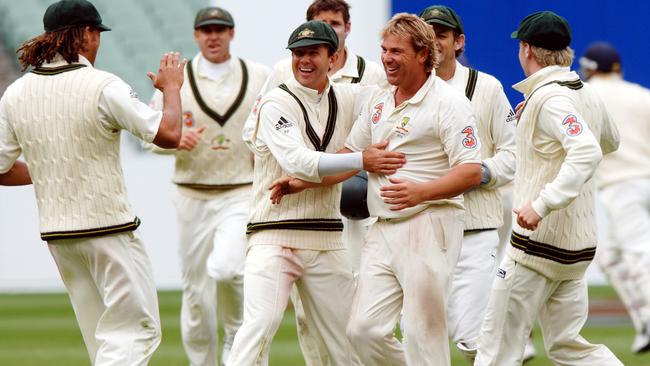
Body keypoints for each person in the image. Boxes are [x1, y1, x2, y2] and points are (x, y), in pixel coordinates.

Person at [0, 0, 186, 365]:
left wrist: (55, 170)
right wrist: (172, 87)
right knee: (137, 332)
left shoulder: (16, 93)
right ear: (85, 34)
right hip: (108, 229)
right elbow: (168, 134)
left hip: (59, 238)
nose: (99, 42)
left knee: (102, 340)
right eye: (97, 34)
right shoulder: (102, 85)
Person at [227, 20, 404, 365]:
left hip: (326, 238)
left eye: (313, 53)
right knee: (258, 327)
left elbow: (397, 97)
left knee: (348, 340)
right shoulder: (276, 102)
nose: (304, 61)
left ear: (334, 58)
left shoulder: (351, 97)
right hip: (272, 234)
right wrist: (363, 159)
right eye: (298, 54)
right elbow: (298, 161)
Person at [475, 11, 622, 365]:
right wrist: (541, 129)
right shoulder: (583, 91)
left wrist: (543, 204)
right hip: (577, 250)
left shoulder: (549, 98)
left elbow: (586, 149)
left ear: (527, 49)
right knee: (568, 348)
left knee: (495, 350)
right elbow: (610, 141)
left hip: (536, 246)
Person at [332, 13, 481, 366]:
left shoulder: (449, 103)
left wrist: (421, 192)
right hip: (381, 227)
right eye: (384, 50)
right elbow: (351, 153)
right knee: (362, 330)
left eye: (396, 51)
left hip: (431, 223)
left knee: (422, 333)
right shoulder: (380, 100)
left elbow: (472, 171)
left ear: (422, 55)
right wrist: (302, 176)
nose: (386, 58)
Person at [148, 7, 269, 366]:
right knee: (197, 295)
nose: (213, 36)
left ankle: (237, 335)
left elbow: (278, 122)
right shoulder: (178, 79)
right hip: (192, 195)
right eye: (206, 30)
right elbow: (151, 131)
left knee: (229, 269)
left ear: (232, 33)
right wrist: (173, 139)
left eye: (220, 29)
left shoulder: (258, 75)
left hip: (241, 191)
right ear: (196, 35)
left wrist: (264, 151)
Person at [418, 5, 516, 363]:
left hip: (475, 229)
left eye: (441, 35)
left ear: (458, 42)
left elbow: (513, 153)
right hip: (419, 232)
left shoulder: (486, 87)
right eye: (426, 35)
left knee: (475, 337)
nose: (433, 43)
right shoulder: (397, 89)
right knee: (420, 337)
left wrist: (479, 173)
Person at [580, 41, 650, 354]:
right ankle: (645, 321)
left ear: (591, 68)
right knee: (611, 257)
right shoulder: (641, 95)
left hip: (621, 186)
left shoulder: (586, 95)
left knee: (638, 255)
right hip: (641, 181)